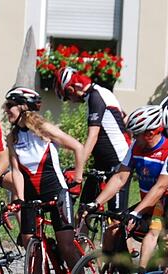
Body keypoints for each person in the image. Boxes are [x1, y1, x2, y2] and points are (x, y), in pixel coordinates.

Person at [2, 87, 86, 274]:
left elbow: (78, 147)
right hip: (31, 196)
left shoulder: (44, 130)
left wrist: (77, 180)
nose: (6, 110)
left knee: (66, 244)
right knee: (32, 251)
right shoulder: (12, 138)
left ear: (24, 107)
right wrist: (19, 198)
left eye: (10, 105)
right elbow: (16, 171)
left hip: (56, 191)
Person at [85, 105, 168, 249]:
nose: (133, 137)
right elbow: (120, 178)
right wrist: (96, 203)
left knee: (163, 245)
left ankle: (147, 270)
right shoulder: (135, 147)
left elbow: (160, 187)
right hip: (148, 208)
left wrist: (136, 213)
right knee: (112, 232)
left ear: (150, 133)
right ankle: (119, 269)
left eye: (137, 134)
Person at [55, 67, 130, 213]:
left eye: (67, 97)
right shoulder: (98, 94)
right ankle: (80, 236)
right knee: (83, 212)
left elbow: (92, 136)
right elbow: (124, 118)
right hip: (101, 163)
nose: (70, 101)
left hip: (117, 163)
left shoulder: (96, 96)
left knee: (115, 219)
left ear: (71, 89)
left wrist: (78, 171)